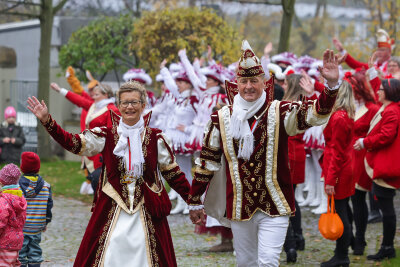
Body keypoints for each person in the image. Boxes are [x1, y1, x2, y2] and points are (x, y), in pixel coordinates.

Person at [189, 40, 341, 267]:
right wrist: (194, 201)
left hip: (275, 204)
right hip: (240, 205)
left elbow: (314, 115)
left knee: (268, 262)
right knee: (246, 263)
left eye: (254, 81)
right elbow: (207, 162)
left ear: (265, 83)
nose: (249, 86)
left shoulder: (279, 111)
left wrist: (330, 86)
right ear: (235, 84)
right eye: (244, 81)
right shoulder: (221, 118)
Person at [27, 81, 191, 267]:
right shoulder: (105, 135)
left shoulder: (156, 138)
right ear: (118, 106)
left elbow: (174, 174)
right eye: (125, 102)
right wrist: (48, 121)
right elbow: (73, 143)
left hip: (147, 209)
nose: (129, 107)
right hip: (112, 208)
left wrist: (193, 203)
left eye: (134, 102)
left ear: (143, 105)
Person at [354, 77, 400, 261]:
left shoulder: (392, 112)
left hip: (386, 165)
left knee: (386, 208)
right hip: (382, 162)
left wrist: (365, 142)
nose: (378, 91)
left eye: (381, 89)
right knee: (385, 206)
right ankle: (387, 246)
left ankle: (387, 247)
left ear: (389, 92)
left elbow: (386, 136)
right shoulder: (388, 108)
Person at [50, 82, 118, 193]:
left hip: (101, 153)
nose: (93, 97)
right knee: (94, 181)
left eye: (97, 95)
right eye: (94, 94)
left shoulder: (112, 110)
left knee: (100, 183)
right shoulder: (94, 106)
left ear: (106, 95)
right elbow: (79, 100)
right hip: (89, 150)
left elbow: (113, 135)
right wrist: (60, 90)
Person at [343, 69, 379, 256]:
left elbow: (378, 133)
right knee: (344, 199)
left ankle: (360, 238)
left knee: (358, 198)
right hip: (345, 155)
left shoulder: (372, 108)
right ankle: (349, 234)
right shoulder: (346, 107)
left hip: (362, 156)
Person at [320, 80, 355, 267]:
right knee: (344, 209)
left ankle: (342, 255)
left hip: (339, 170)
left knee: (340, 212)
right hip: (345, 166)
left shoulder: (339, 118)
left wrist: (331, 179)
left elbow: (336, 151)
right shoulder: (345, 114)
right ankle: (344, 249)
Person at [281, 73, 307, 263]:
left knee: (285, 199)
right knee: (292, 197)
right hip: (297, 150)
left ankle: (291, 241)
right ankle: (298, 236)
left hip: (289, 151)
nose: (282, 84)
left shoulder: (290, 103)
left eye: (285, 82)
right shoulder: (301, 102)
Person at [18, 152, 53, 267]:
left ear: (22, 167)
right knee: (35, 250)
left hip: (21, 226)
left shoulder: (17, 187)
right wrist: (46, 221)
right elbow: (48, 206)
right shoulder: (46, 186)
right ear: (38, 168)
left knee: (20, 253)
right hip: (37, 225)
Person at [0, 164, 27, 266]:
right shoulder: (20, 199)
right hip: (17, 241)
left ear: (2, 182)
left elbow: (1, 222)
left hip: (4, 242)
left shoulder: (3, 201)